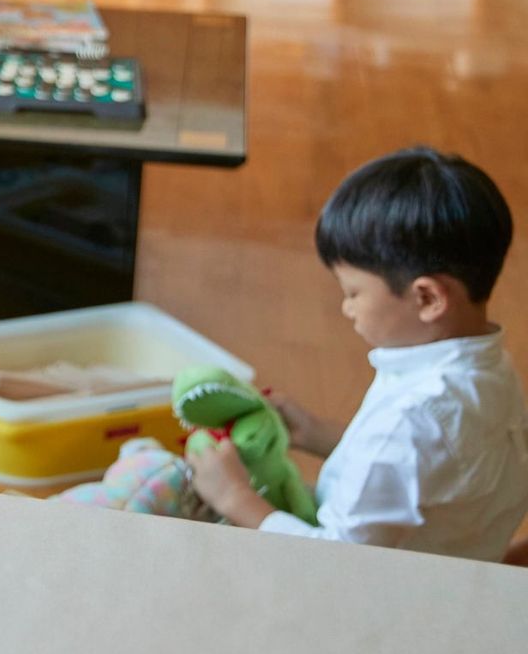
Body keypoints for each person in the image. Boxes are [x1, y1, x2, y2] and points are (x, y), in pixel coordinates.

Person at [187, 147, 528, 560]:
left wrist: (237, 499)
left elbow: (338, 561)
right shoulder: (488, 370)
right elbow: (421, 476)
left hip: (380, 596)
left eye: (353, 292)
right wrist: (314, 432)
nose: (346, 307)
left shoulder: (411, 420)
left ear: (427, 298)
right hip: (458, 569)